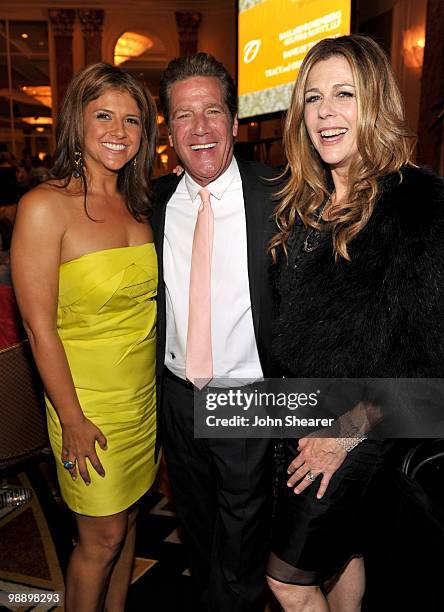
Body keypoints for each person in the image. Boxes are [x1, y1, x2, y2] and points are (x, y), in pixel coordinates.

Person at [266, 34, 444, 611]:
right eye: (313, 98)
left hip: (360, 425)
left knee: (287, 584)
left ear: (376, 104)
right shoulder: (308, 203)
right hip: (301, 411)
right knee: (342, 559)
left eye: (344, 94)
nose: (325, 113)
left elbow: (427, 362)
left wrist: (342, 434)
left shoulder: (418, 205)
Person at [11, 62, 158, 612]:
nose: (119, 131)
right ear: (77, 120)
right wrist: (71, 419)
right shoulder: (44, 207)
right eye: (104, 116)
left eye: (132, 120)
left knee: (128, 525)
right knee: (100, 539)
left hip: (141, 403)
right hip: (85, 402)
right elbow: (37, 328)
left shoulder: (141, 208)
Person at [153, 53, 279, 611]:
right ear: (169, 132)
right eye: (184, 115)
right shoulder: (152, 204)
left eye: (212, 112)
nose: (200, 128)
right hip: (178, 399)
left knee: (244, 540)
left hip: (248, 400)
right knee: (198, 529)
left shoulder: (280, 195)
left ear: (233, 120)